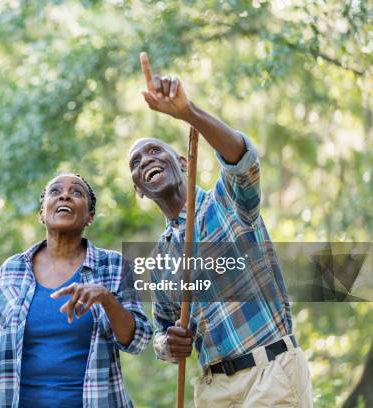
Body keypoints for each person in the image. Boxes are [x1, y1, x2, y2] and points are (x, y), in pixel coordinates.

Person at [129, 52, 313, 407]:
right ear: (138, 188)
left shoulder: (226, 202)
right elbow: (162, 333)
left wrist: (188, 113)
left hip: (271, 373)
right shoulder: (158, 262)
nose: (145, 160)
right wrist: (169, 343)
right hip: (214, 390)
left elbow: (243, 160)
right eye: (135, 163)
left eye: (154, 151)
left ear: (183, 162)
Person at [0, 173, 152, 408]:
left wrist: (106, 298)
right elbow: (0, 349)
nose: (65, 195)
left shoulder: (114, 266)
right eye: (55, 191)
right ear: (42, 214)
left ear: (90, 216)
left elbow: (138, 341)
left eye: (77, 192)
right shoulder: (11, 270)